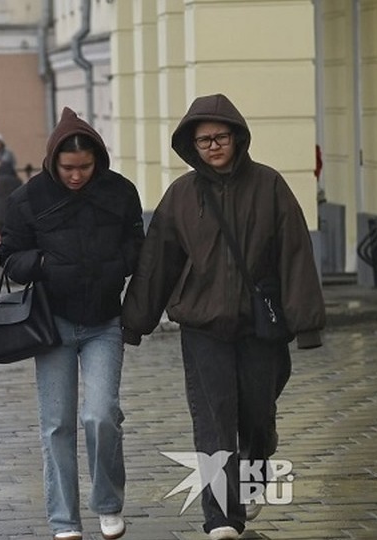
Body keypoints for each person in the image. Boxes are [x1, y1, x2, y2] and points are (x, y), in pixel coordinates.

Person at [121, 94, 326, 540]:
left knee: (257, 413)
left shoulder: (270, 186)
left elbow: (295, 254)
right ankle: (221, 518)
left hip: (260, 326)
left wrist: (307, 323)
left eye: (221, 137)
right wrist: (134, 321)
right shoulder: (180, 196)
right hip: (202, 325)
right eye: (204, 140)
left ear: (237, 137)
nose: (213, 146)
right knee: (214, 420)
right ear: (191, 146)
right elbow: (158, 262)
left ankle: (254, 474)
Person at [0, 107, 143, 540]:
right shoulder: (27, 199)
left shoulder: (120, 192)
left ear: (98, 159)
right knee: (57, 424)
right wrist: (43, 262)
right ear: (53, 162)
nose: (77, 176)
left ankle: (108, 504)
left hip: (104, 321)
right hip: (51, 324)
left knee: (101, 415)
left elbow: (139, 245)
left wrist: (118, 264)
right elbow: (10, 258)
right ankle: (64, 520)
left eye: (85, 166)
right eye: (68, 168)